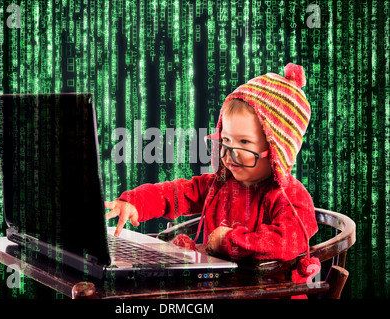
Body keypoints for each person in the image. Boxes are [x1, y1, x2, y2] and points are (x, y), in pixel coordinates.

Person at [105, 63, 320, 289]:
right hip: (217, 288)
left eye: (244, 143)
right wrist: (136, 202)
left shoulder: (290, 197)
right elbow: (177, 192)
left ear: (278, 151)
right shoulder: (220, 185)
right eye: (225, 141)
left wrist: (228, 241)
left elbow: (285, 242)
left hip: (267, 294)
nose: (228, 155)